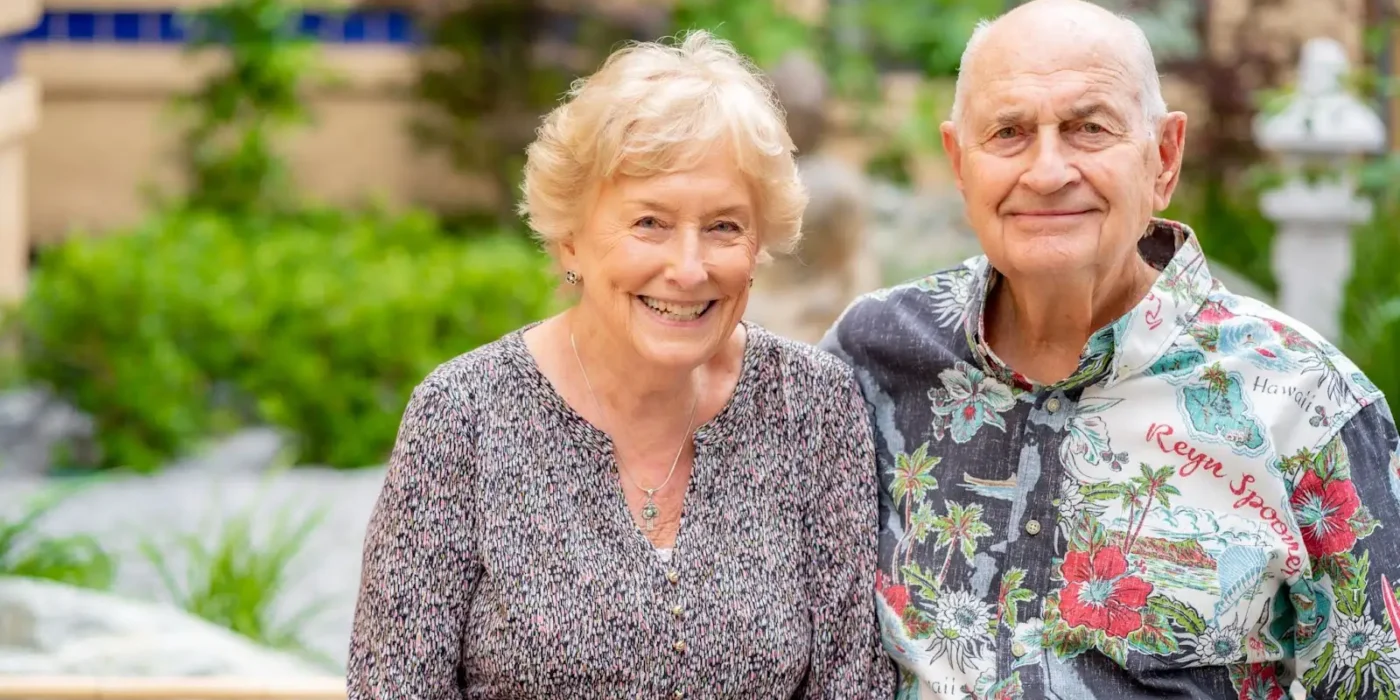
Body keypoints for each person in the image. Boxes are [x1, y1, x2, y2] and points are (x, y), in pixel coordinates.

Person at [819, 1, 1400, 698]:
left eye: (1087, 128)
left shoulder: (1306, 404)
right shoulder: (871, 356)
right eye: (1008, 132)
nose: (1047, 169)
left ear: (1164, 157)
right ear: (959, 162)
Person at [347, 30, 894, 699]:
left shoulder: (813, 404)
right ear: (570, 238)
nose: (688, 269)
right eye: (649, 223)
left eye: (724, 226)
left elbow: (851, 683)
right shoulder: (463, 413)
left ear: (760, 243)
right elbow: (394, 686)